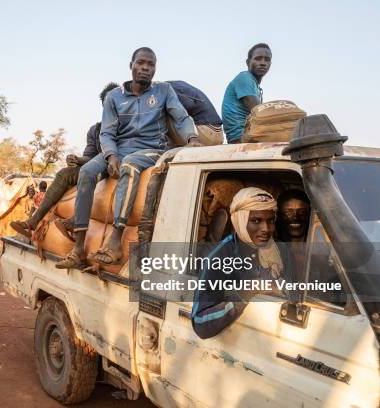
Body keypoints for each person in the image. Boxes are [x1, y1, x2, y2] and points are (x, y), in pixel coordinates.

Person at [57, 47, 200, 268]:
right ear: (131, 65)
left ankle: (115, 239)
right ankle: (78, 248)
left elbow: (181, 117)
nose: (145, 68)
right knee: (86, 172)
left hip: (152, 148)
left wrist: (192, 138)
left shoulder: (164, 91)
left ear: (155, 69)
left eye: (150, 64)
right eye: (140, 63)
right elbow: (107, 133)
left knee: (130, 165)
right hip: (119, 148)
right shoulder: (114, 97)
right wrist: (111, 154)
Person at [10, 82, 119, 238]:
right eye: (107, 104)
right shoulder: (95, 130)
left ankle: (76, 222)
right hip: (95, 166)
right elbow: (89, 156)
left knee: (91, 175)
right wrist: (77, 159)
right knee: (64, 174)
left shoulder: (129, 127)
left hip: (113, 167)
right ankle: (32, 222)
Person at [191, 187, 294, 339]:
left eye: (270, 221)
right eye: (256, 221)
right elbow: (200, 323)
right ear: (239, 220)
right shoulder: (219, 258)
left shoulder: (280, 249)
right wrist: (246, 292)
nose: (266, 229)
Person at [221, 43, 272, 143]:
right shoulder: (244, 77)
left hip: (250, 134)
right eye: (258, 58)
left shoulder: (255, 86)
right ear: (248, 62)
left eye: (267, 59)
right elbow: (260, 113)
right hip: (241, 137)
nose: (263, 63)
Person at [168, 81, 224, 145]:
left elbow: (188, 105)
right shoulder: (177, 83)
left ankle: (161, 144)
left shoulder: (165, 88)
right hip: (217, 133)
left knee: (165, 111)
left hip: (205, 132)